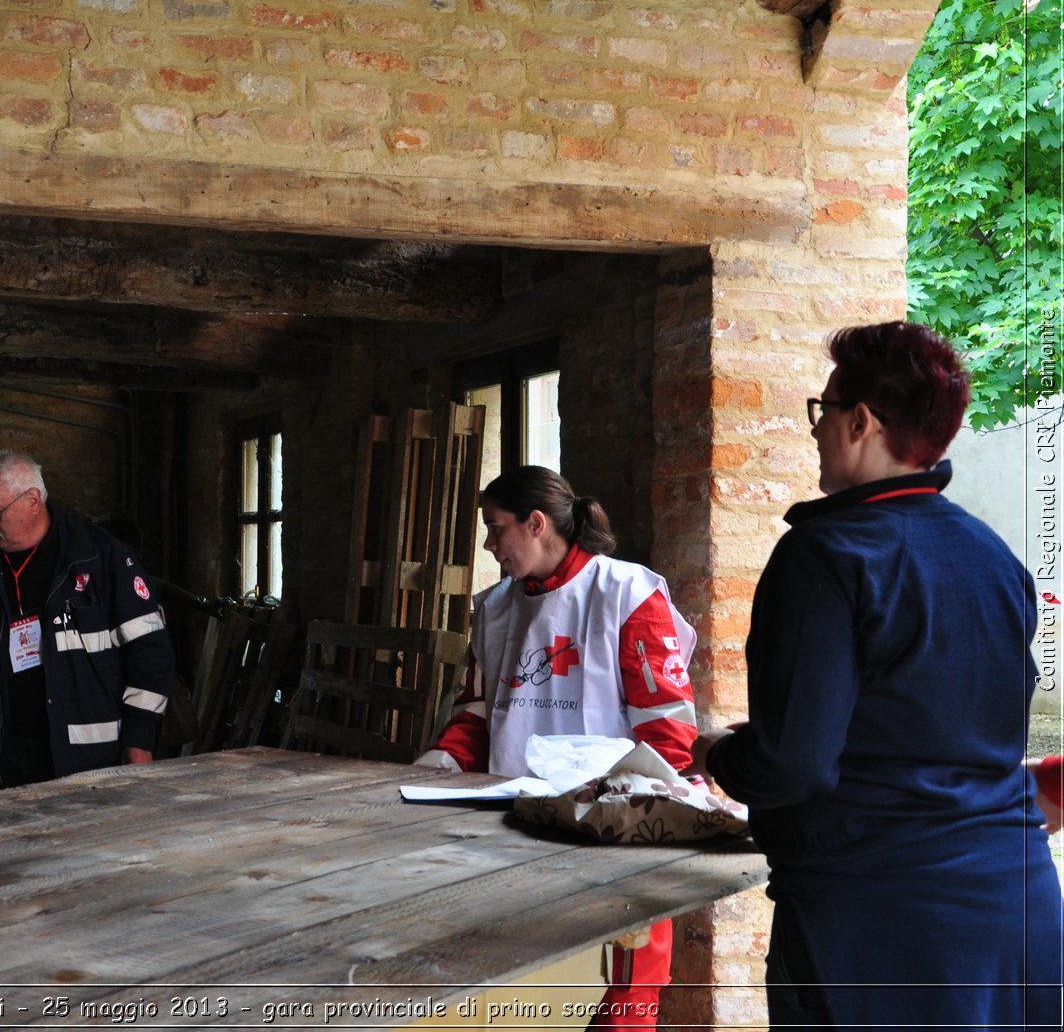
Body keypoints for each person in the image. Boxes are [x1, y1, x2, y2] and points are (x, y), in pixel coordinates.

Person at [693, 322, 1063, 1029]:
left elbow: (790, 764)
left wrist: (717, 753)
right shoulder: (994, 557)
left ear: (859, 421)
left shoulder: (824, 556)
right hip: (1015, 906)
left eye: (822, 411)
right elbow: (958, 725)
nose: (816, 432)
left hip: (877, 923)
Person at [416, 465, 697, 1028]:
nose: (489, 544)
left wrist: (647, 811)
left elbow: (665, 725)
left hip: (612, 829)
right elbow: (475, 713)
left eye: (496, 528)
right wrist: (441, 762)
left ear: (536, 523)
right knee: (531, 993)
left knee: (624, 1004)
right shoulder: (495, 608)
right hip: (514, 824)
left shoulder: (625, 592)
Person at [0, 451, 174, 794]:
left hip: (90, 761)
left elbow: (151, 654)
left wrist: (140, 739)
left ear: (32, 501)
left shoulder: (101, 558)